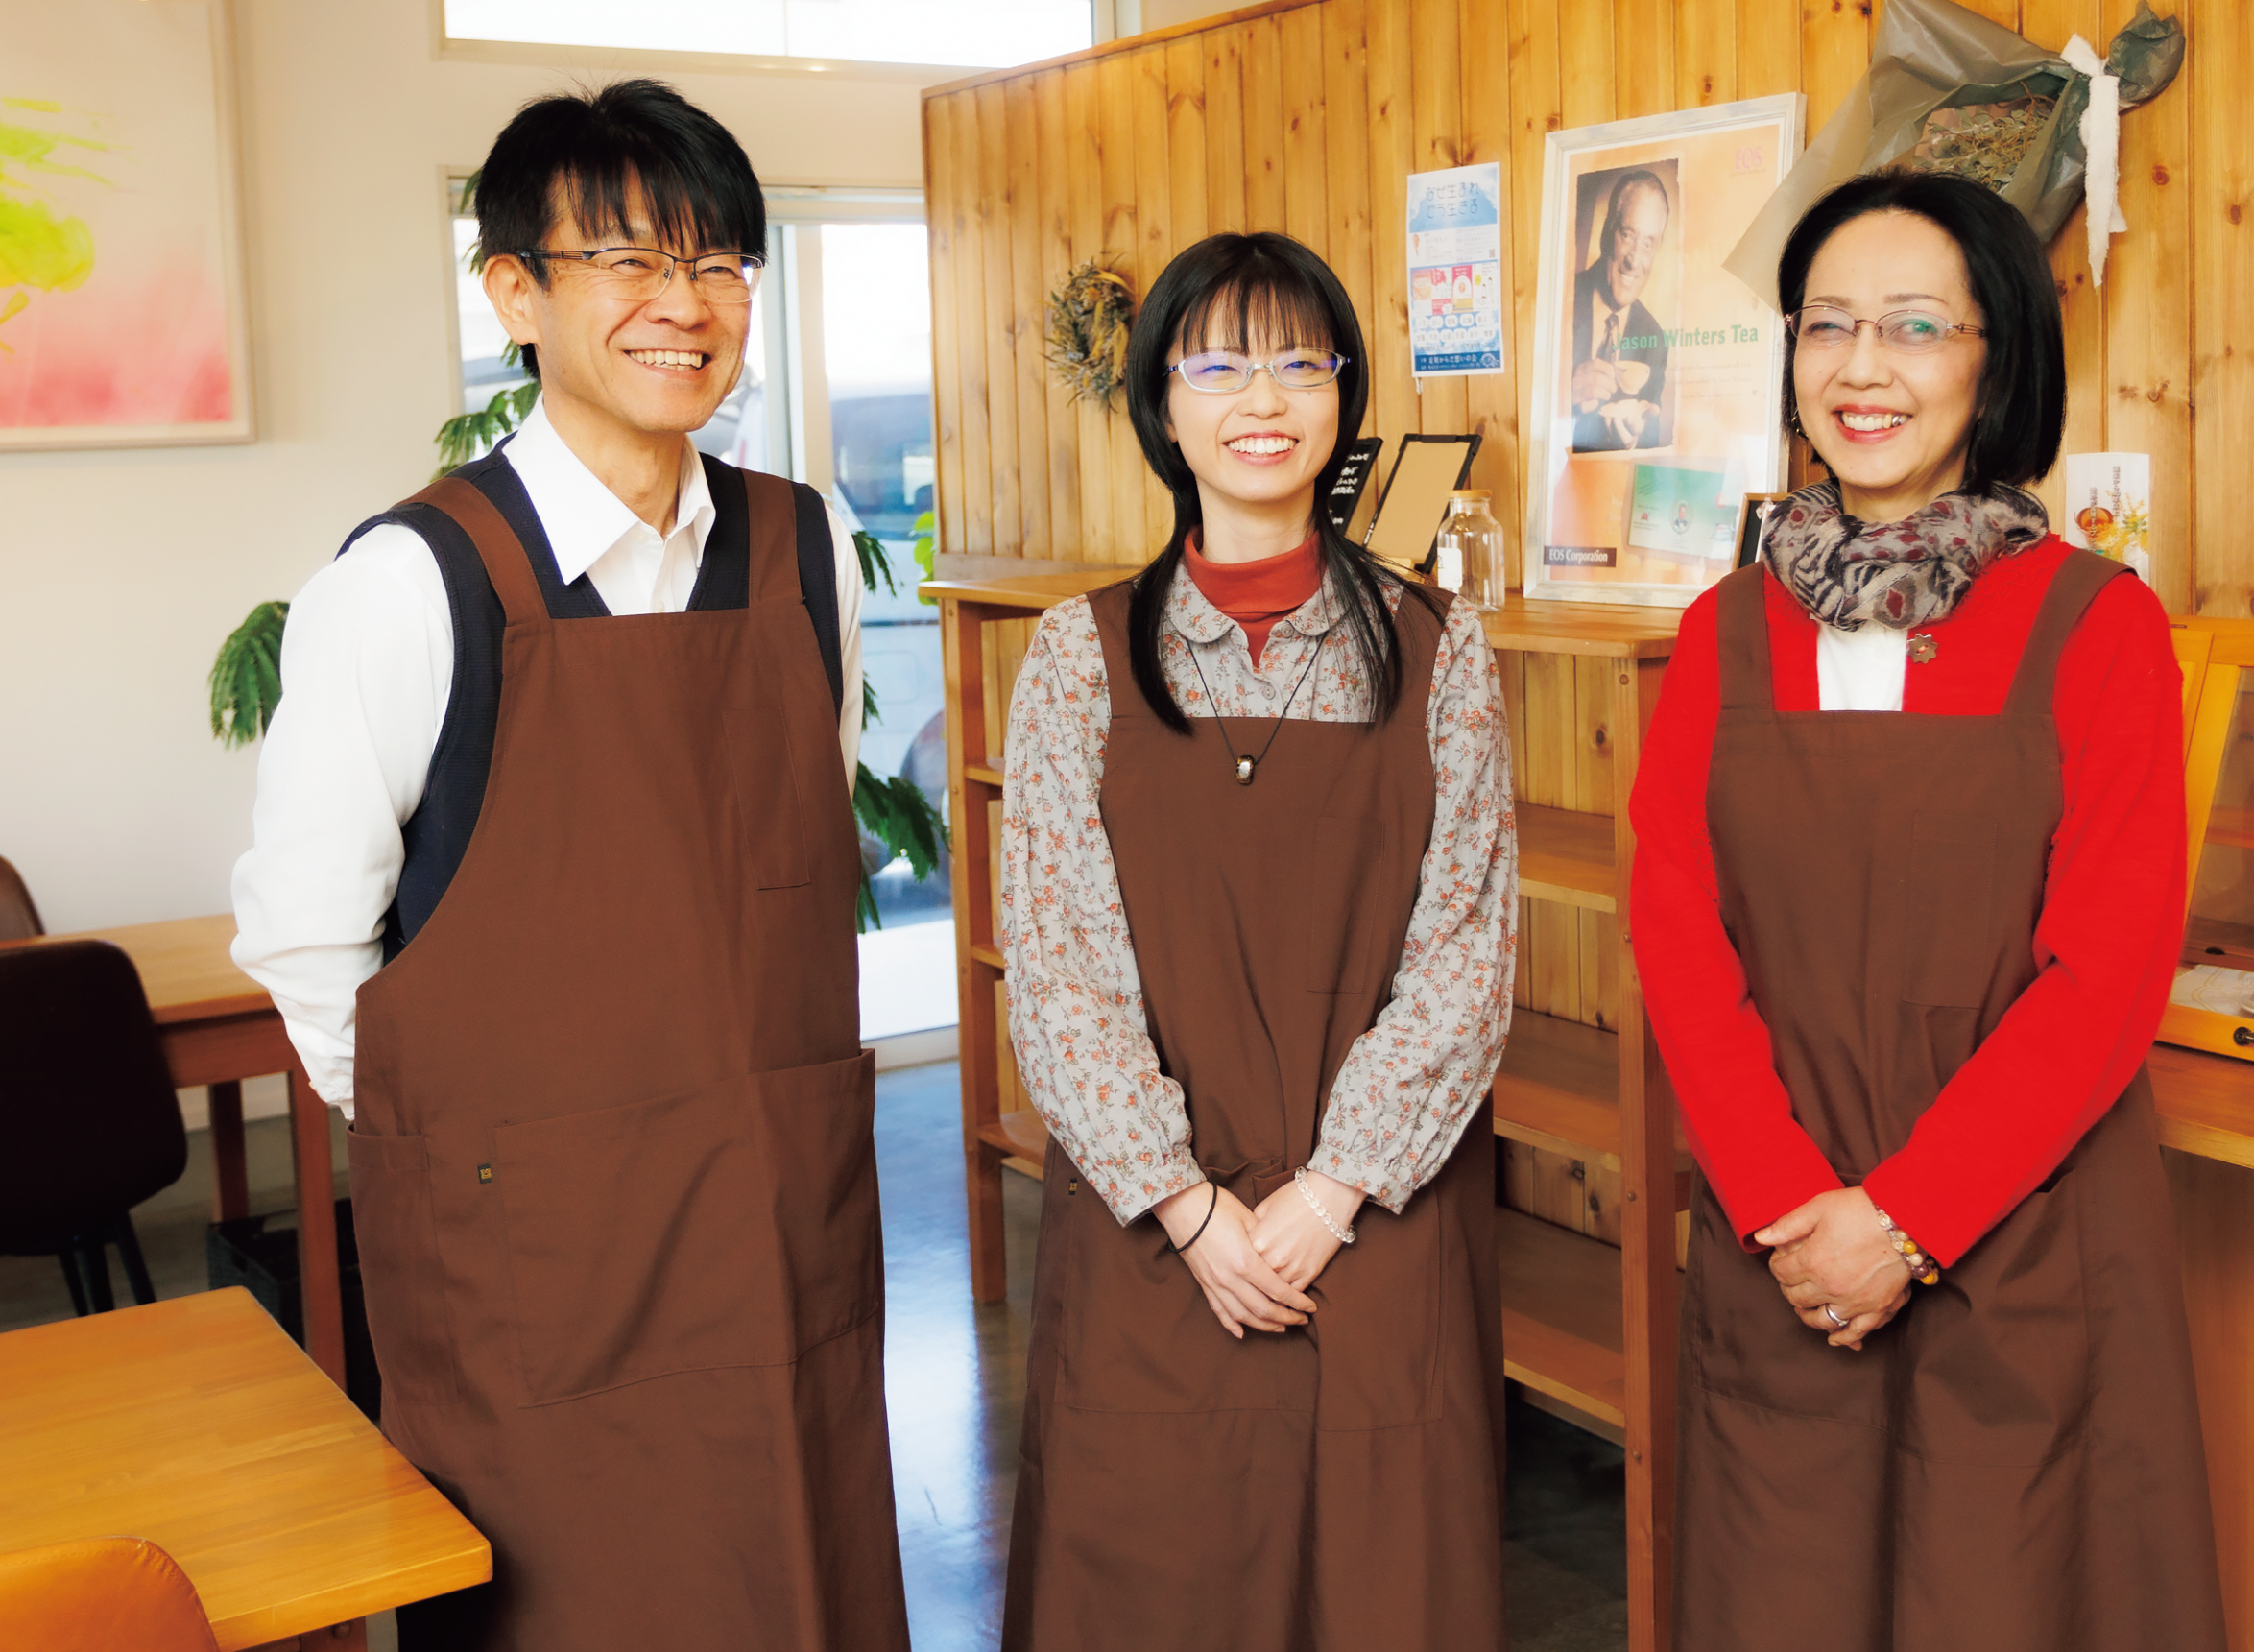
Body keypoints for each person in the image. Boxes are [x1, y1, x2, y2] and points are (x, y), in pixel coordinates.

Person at [229, 82, 909, 1650]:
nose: (686, 306)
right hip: (541, 1277)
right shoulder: (414, 582)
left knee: (799, 1582)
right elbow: (307, 937)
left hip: (779, 1235)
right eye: (628, 262)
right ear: (515, 292)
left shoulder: (806, 553)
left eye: (722, 263)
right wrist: (479, 1154)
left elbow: (799, 833)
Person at [1628, 172, 2225, 1651]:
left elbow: (2103, 976)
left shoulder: (2095, 624)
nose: (1859, 367)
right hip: (1788, 1245)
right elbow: (1675, 932)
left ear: (1994, 356)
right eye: (1824, 324)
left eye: (1911, 325)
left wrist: (1902, 1220)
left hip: (2022, 1239)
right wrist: (1790, 1207)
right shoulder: (1722, 631)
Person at [996, 230, 1518, 1652]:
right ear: (1162, 403)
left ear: (1343, 395)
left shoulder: (1436, 647)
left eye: (1299, 360)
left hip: (1377, 1215)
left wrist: (1332, 1188)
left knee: (1381, 1582)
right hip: (1158, 1227)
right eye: (1216, 363)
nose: (1261, 397)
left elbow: (1467, 949)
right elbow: (1057, 970)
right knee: (1159, 1577)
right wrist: (1189, 1205)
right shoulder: (1076, 653)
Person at [1569, 168, 1674, 452]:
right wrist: (1565, 397)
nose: (1634, 260)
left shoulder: (1655, 338)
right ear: (1607, 231)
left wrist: (1637, 440)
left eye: (1648, 244)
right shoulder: (1562, 302)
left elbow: (1649, 450)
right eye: (1627, 235)